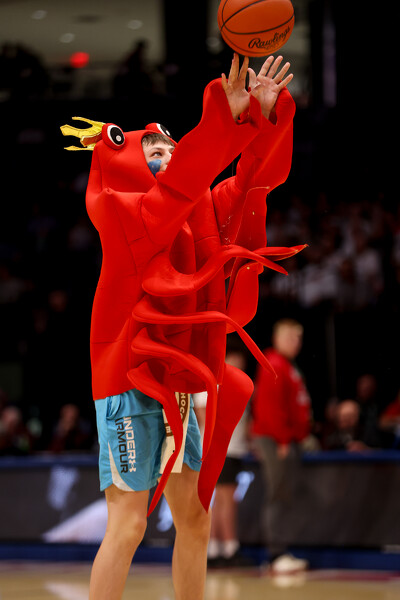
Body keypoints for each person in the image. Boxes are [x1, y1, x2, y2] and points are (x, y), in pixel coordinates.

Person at [61, 53, 300, 600]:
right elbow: (178, 188)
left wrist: (262, 120)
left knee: (193, 516)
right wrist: (221, 123)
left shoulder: (197, 209)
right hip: (129, 375)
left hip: (184, 380)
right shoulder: (121, 209)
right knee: (129, 523)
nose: (169, 155)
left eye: (173, 148)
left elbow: (251, 183)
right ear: (128, 166)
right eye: (155, 152)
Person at [250, 318, 311, 575]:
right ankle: (275, 554)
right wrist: (283, 440)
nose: (295, 343)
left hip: (284, 439)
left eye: (298, 338)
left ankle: (280, 551)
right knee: (277, 494)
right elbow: (269, 408)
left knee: (283, 494)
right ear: (277, 339)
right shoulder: (273, 364)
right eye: (290, 337)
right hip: (275, 440)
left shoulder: (286, 365)